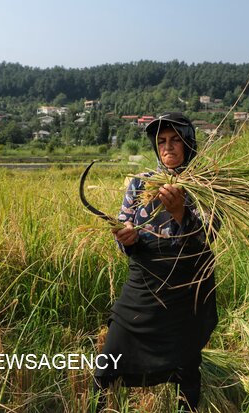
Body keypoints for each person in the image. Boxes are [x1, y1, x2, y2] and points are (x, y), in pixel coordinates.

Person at [93, 112, 219, 412]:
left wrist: (180, 214)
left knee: (186, 364)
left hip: (187, 285)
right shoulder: (141, 183)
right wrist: (126, 239)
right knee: (108, 360)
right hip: (145, 281)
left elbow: (209, 234)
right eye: (161, 141)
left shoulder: (206, 186)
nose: (168, 147)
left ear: (189, 143)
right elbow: (124, 224)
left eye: (176, 140)